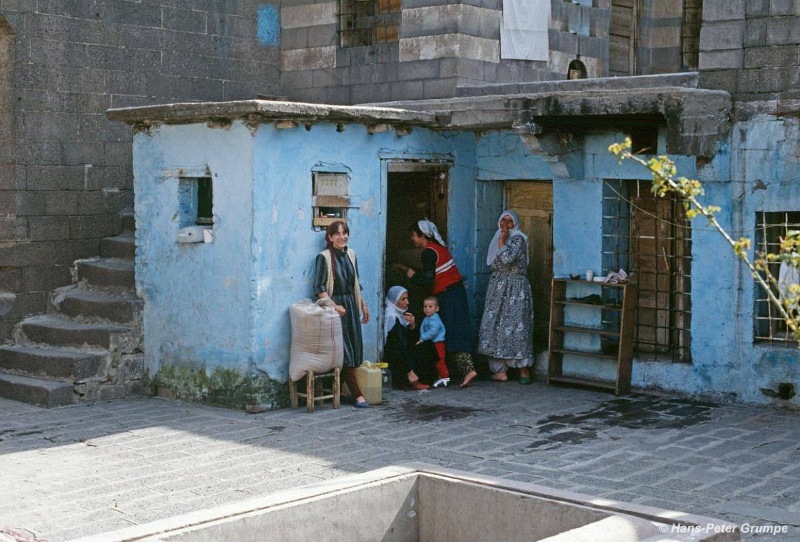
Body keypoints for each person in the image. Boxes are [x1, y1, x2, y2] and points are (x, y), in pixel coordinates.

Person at [395, 219, 478, 388]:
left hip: (449, 296)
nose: (412, 240)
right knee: (454, 331)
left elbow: (427, 280)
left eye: (413, 236)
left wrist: (410, 273)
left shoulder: (428, 252)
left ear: (422, 235)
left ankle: (465, 370)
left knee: (448, 332)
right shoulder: (438, 249)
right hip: (455, 293)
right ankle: (456, 370)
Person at [313, 220, 371, 408]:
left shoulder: (351, 255)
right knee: (344, 350)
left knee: (353, 348)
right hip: (335, 309)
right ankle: (357, 394)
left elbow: (356, 283)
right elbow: (320, 289)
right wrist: (334, 305)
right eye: (337, 234)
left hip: (351, 306)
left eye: (345, 233)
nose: (342, 237)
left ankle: (344, 390)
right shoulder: (324, 257)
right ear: (330, 237)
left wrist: (362, 304)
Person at [478, 210, 534, 384]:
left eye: (510, 222)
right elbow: (493, 263)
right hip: (498, 289)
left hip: (515, 289)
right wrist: (500, 241)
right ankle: (499, 370)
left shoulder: (518, 238)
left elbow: (508, 259)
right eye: (503, 220)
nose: (505, 225)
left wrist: (503, 241)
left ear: (515, 224)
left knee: (517, 325)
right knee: (494, 325)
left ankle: (524, 371)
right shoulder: (496, 239)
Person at [383, 286, 433, 390]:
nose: (407, 302)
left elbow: (410, 341)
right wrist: (409, 371)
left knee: (427, 344)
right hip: (395, 360)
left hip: (402, 356)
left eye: (407, 298)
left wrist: (412, 326)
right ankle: (412, 379)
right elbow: (397, 347)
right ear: (394, 300)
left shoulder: (399, 315)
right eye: (403, 299)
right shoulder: (391, 316)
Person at [417, 296, 449, 388]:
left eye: (430, 307)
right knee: (435, 359)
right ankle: (440, 376)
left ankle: (444, 376)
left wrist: (422, 338)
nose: (427, 309)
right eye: (425, 306)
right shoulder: (428, 317)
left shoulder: (434, 318)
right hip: (433, 343)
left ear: (437, 308)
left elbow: (433, 331)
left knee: (439, 359)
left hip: (437, 343)